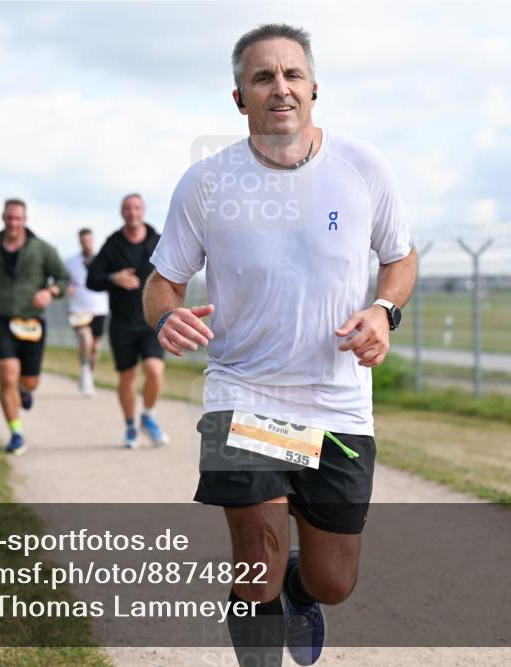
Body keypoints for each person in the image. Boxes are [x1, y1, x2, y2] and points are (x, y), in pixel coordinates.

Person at [143, 24, 416, 666]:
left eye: (292, 75)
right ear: (239, 98)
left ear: (315, 88)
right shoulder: (207, 184)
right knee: (256, 564)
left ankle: (303, 588)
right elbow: (163, 284)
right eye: (262, 77)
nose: (280, 88)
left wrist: (384, 311)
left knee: (333, 582)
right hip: (244, 395)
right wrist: (165, 319)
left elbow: (400, 259)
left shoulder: (363, 169)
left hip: (336, 403)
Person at [0, 199, 69, 455]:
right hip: (1, 318)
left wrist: (50, 291)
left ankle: (25, 390)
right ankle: (16, 432)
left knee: (29, 381)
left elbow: (64, 279)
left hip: (32, 320)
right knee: (6, 373)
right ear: (3, 217)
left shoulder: (42, 249)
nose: (13, 223)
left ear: (25, 219)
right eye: (10, 218)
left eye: (18, 218)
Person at [86, 194, 170, 449]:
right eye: (127, 209)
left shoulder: (157, 241)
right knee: (127, 376)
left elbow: (177, 270)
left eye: (136, 208)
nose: (132, 213)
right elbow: (92, 279)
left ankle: (148, 415)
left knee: (155, 370)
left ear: (143, 211)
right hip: (122, 322)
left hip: (152, 320)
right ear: (122, 213)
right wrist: (114, 278)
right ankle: (130, 426)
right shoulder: (113, 244)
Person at [65, 228, 110, 396]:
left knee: (95, 348)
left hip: (99, 308)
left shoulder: (103, 261)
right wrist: (67, 289)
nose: (86, 244)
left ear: (93, 240)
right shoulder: (70, 263)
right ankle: (84, 372)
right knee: (86, 340)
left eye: (89, 240)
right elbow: (64, 281)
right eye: (83, 241)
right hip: (78, 309)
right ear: (79, 242)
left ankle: (89, 375)